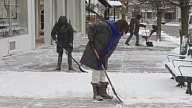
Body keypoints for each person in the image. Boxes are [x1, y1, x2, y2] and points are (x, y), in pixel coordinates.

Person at [80, 19, 129, 101]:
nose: (122, 33)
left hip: (103, 55)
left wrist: (104, 58)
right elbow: (91, 27)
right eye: (122, 31)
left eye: (124, 32)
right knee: (96, 72)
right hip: (94, 51)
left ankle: (103, 92)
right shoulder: (105, 26)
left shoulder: (117, 36)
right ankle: (96, 94)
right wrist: (91, 40)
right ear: (119, 27)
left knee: (103, 72)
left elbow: (112, 48)